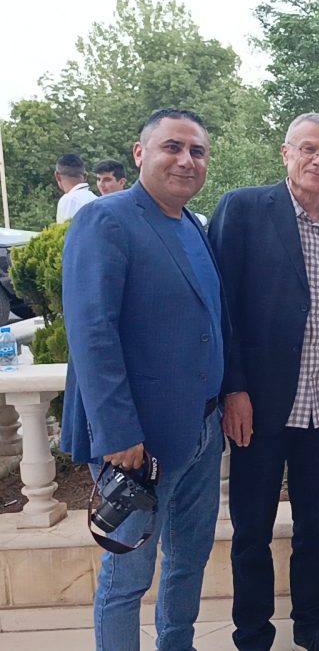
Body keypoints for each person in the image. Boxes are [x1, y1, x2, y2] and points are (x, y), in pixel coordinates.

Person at [60, 108, 224, 651]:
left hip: (202, 430)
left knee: (189, 560)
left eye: (197, 151)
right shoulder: (105, 220)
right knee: (127, 575)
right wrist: (118, 433)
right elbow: (92, 334)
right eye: (172, 147)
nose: (186, 160)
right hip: (137, 442)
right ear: (140, 153)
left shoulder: (193, 226)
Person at [208, 113, 319, 651]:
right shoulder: (244, 209)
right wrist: (233, 389)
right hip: (260, 406)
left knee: (316, 526)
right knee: (252, 530)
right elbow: (220, 307)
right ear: (285, 153)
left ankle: (313, 625)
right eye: (308, 149)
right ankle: (253, 633)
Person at [55, 152, 97, 222]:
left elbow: (65, 228)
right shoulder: (96, 199)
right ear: (85, 176)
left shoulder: (69, 200)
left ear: (57, 176)